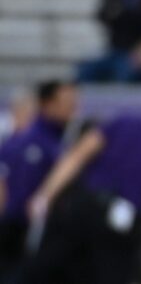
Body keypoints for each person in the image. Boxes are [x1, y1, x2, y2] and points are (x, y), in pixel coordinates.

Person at [23, 78, 141, 284]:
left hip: (80, 210)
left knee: (43, 272)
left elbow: (76, 157)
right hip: (117, 231)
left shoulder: (126, 121)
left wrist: (44, 195)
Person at [0, 81, 78, 284]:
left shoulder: (58, 142)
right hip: (19, 232)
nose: (73, 107)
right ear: (47, 104)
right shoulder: (27, 141)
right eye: (68, 102)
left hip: (45, 233)